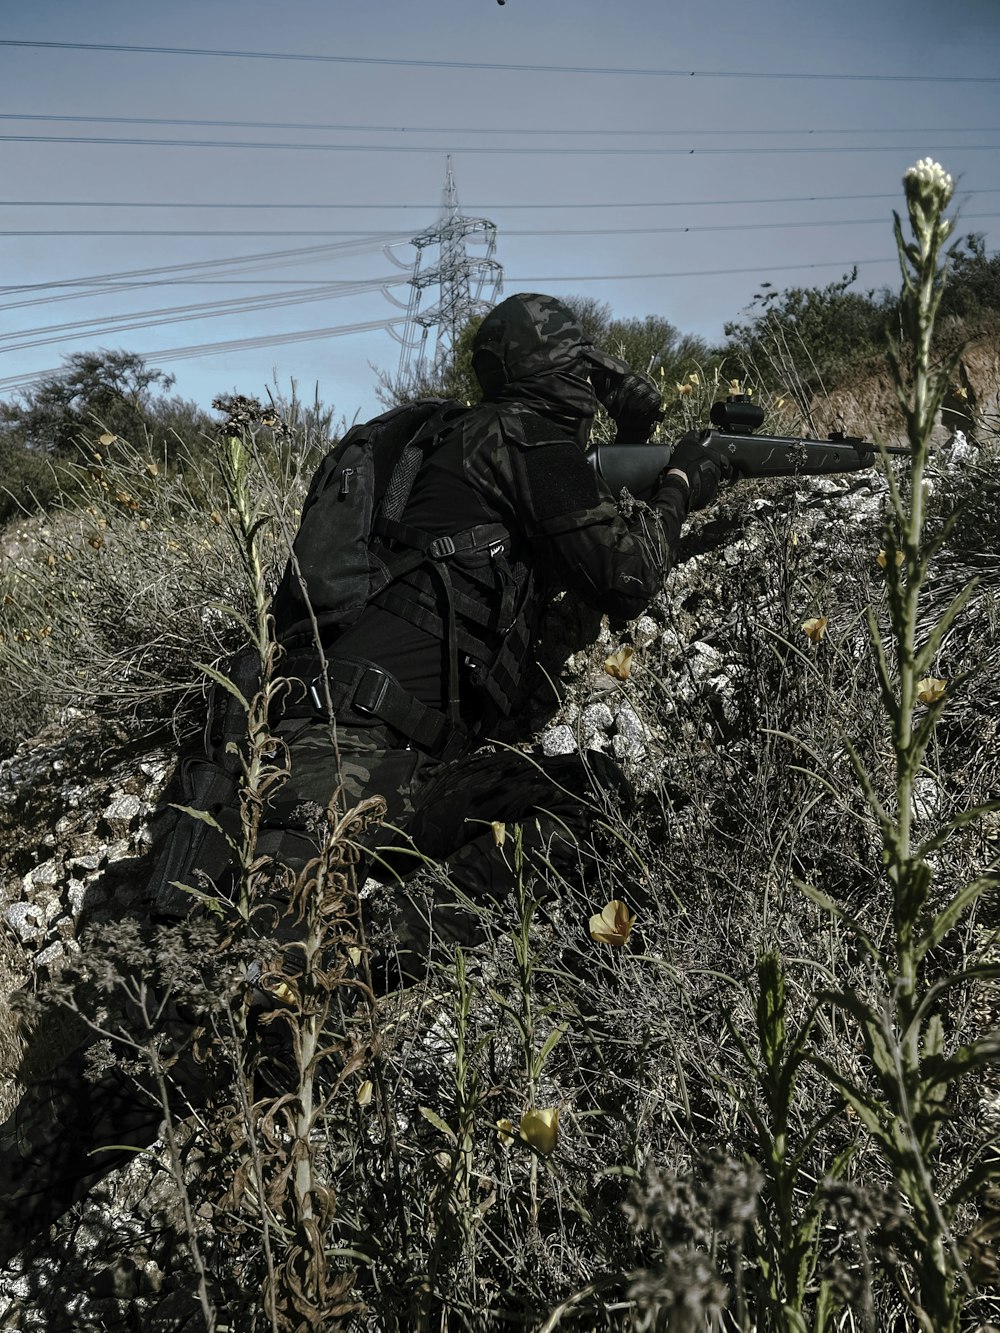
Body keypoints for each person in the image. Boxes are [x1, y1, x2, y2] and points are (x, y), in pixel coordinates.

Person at [0, 292, 725, 1263]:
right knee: (593, 806)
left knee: (157, 1029)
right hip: (359, 762)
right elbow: (626, 570)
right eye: (582, 372)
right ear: (556, 374)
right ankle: (336, 961)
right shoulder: (519, 434)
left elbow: (534, 579)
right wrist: (685, 475)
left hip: (284, 741)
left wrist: (629, 437)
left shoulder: (425, 452)